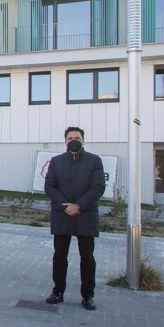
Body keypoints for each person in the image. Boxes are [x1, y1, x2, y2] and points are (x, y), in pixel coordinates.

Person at [44, 127, 105, 311]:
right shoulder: (56, 162)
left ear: (83, 140)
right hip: (62, 214)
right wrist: (66, 206)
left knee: (87, 257)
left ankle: (87, 296)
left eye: (77, 137)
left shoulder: (94, 161)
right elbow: (50, 186)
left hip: (85, 215)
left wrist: (78, 205)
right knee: (59, 256)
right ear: (65, 141)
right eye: (70, 138)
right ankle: (57, 292)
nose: (73, 140)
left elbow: (98, 187)